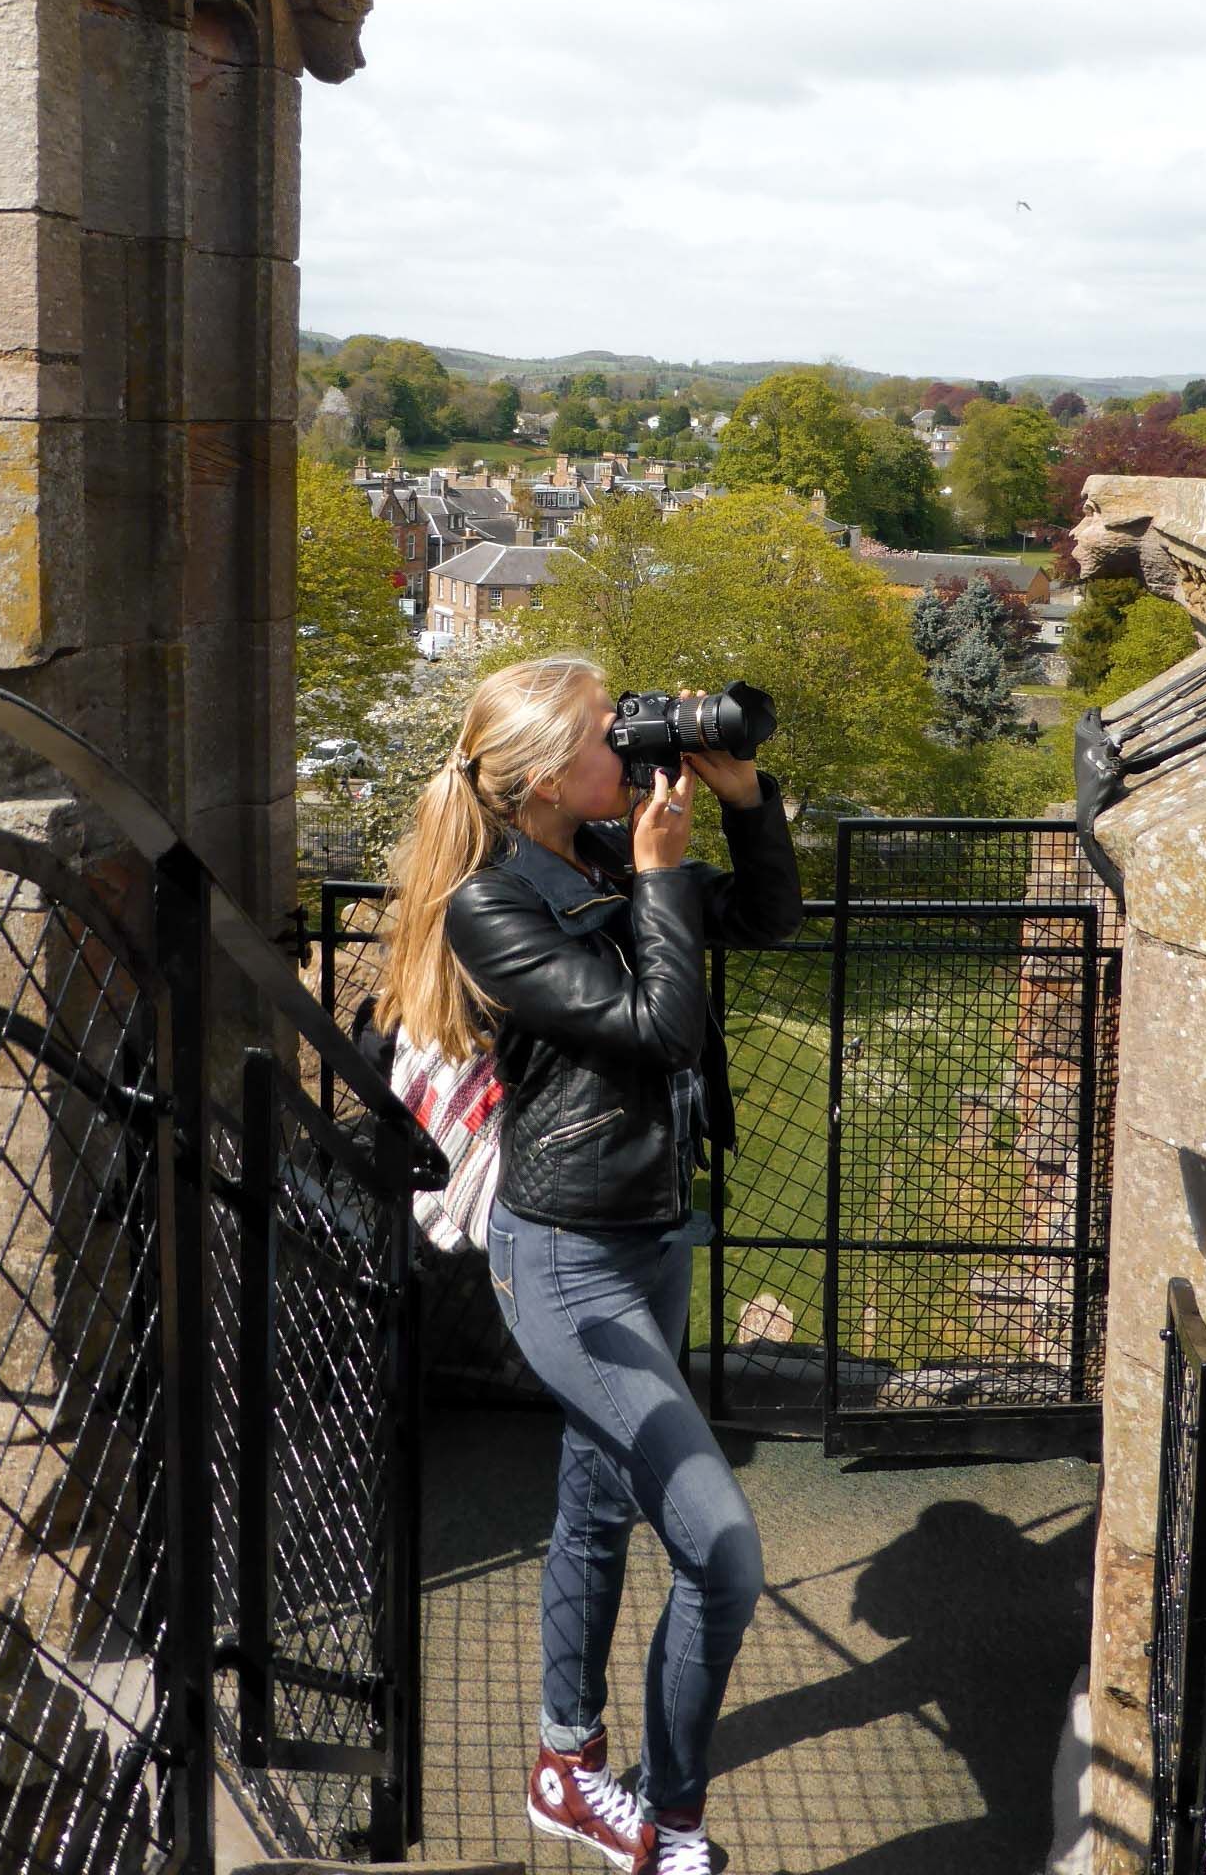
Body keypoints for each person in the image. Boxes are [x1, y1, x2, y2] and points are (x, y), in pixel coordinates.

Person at [378, 654, 803, 1875]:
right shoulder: (490, 908)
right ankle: (669, 1824)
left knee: (596, 1503)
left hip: (649, 1232)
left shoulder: (607, 855)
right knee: (721, 1551)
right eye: (606, 733)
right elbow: (657, 1028)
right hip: (566, 1261)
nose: (630, 742)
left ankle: (565, 1763)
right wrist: (664, 876)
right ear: (539, 778)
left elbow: (772, 919)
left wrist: (743, 796)